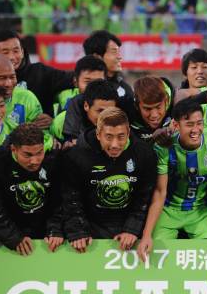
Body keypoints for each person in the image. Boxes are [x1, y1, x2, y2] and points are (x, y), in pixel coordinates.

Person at [136, 99, 207, 257]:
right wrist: (147, 235)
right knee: (153, 253)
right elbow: (160, 191)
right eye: (189, 124)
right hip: (169, 211)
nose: (195, 130)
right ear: (176, 125)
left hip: (203, 211)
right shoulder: (164, 147)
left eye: (199, 123)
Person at [61, 107, 157, 253]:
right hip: (91, 223)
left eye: (121, 136)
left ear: (129, 133)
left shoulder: (144, 154)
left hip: (127, 223)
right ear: (98, 134)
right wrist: (78, 231)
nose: (114, 144)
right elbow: (71, 196)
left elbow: (144, 196)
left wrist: (132, 229)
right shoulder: (76, 156)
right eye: (109, 136)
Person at [0, 124, 63, 255]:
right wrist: (12, 236)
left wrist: (55, 229)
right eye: (27, 155)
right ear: (14, 149)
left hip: (45, 229)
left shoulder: (54, 158)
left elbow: (62, 199)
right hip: (10, 228)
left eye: (39, 153)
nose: (35, 161)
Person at [0, 30, 74, 116]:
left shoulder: (41, 73)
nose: (12, 57)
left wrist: (53, 121)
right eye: (5, 52)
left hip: (39, 129)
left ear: (22, 51)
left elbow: (75, 78)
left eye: (16, 51)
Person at [0, 54, 50, 131]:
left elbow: (42, 135)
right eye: (2, 78)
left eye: (12, 77)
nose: (8, 84)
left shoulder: (27, 98)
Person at [83, 30, 133, 105]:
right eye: (114, 52)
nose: (119, 57)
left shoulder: (125, 89)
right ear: (97, 57)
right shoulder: (81, 86)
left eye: (119, 52)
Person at [127, 75, 175, 143]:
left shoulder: (177, 110)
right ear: (137, 106)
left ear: (166, 101)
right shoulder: (127, 116)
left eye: (158, 107)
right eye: (147, 109)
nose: (154, 115)